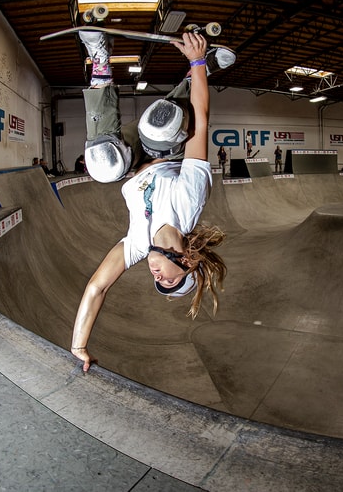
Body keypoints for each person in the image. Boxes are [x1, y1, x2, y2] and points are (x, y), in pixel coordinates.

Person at [70, 31, 228, 373]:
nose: (157, 275)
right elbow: (200, 125)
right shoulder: (189, 203)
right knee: (162, 128)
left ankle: (99, 60)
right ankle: (196, 73)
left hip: (129, 155)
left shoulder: (138, 246)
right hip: (166, 147)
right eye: (170, 279)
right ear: (187, 260)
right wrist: (198, 62)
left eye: (158, 282)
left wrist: (79, 345)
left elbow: (97, 287)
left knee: (102, 165)